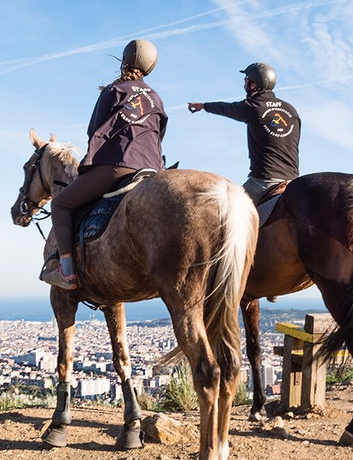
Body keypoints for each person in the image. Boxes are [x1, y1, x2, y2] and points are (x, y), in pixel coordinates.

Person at [42, 39, 168, 290]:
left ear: (124, 61)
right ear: (150, 67)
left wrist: (89, 166)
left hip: (117, 166)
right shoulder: (156, 98)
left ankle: (66, 272)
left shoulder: (114, 90)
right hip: (151, 169)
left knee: (60, 203)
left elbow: (95, 131)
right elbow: (159, 135)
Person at [187, 62, 300, 204]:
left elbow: (226, 108)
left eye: (246, 79)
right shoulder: (291, 110)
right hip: (293, 180)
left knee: (225, 210)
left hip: (263, 182)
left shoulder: (254, 106)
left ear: (253, 85)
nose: (244, 82)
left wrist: (203, 106)